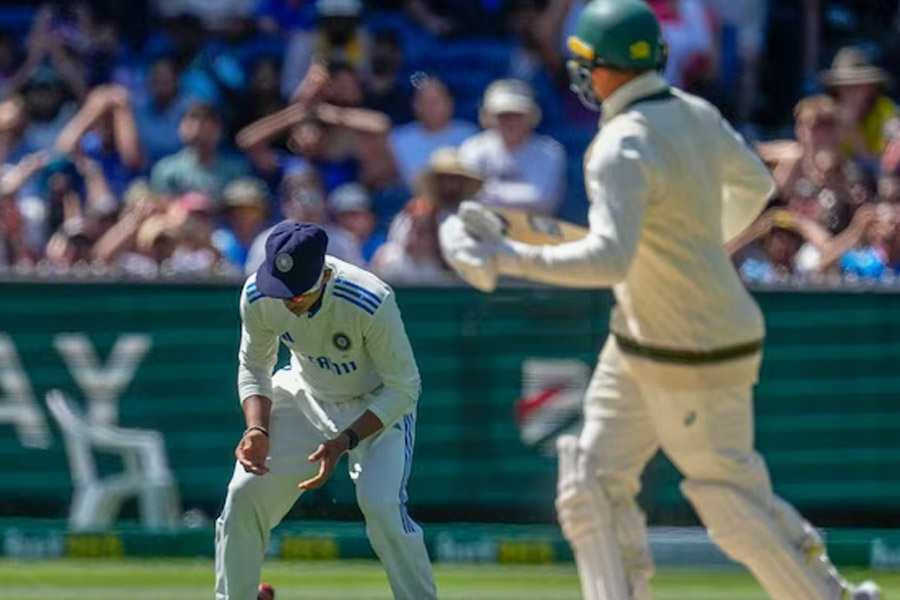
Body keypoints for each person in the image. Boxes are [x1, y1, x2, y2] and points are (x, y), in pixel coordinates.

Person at [438, 2, 882, 599]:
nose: (580, 73)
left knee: (730, 500)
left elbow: (607, 260)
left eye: (585, 63)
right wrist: (691, 240)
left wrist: (506, 259)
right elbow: (754, 186)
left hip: (690, 345)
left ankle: (830, 596)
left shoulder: (620, 144)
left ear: (607, 69)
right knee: (589, 482)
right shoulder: (695, 113)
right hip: (642, 336)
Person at [215, 221, 437, 600]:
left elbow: (405, 387)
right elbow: (255, 366)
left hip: (376, 406)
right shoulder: (257, 293)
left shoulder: (370, 298)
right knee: (243, 492)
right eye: (280, 289)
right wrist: (257, 430)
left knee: (382, 507)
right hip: (305, 392)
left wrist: (344, 440)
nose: (288, 301)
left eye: (297, 293)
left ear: (324, 274)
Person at [458, 79, 565, 216]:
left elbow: (541, 198)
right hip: (483, 226)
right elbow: (467, 193)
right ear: (489, 117)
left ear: (531, 116)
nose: (511, 122)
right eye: (503, 116)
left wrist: (489, 190)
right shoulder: (473, 148)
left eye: (517, 115)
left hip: (536, 230)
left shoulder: (550, 152)